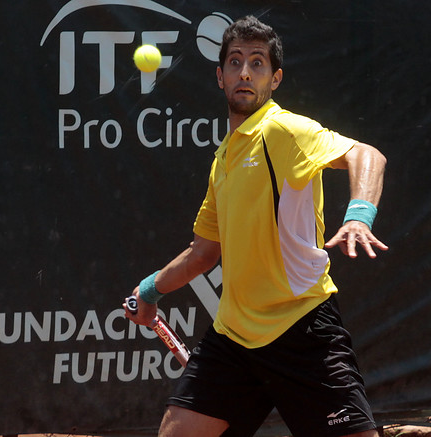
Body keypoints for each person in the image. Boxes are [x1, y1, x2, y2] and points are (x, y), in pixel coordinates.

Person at [124, 15, 388, 437]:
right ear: (220, 76)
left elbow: (367, 155)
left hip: (302, 328)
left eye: (258, 63)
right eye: (235, 62)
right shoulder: (223, 159)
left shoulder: (283, 130)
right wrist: (152, 289)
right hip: (234, 337)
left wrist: (359, 215)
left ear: (275, 78)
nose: (245, 72)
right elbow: (203, 254)